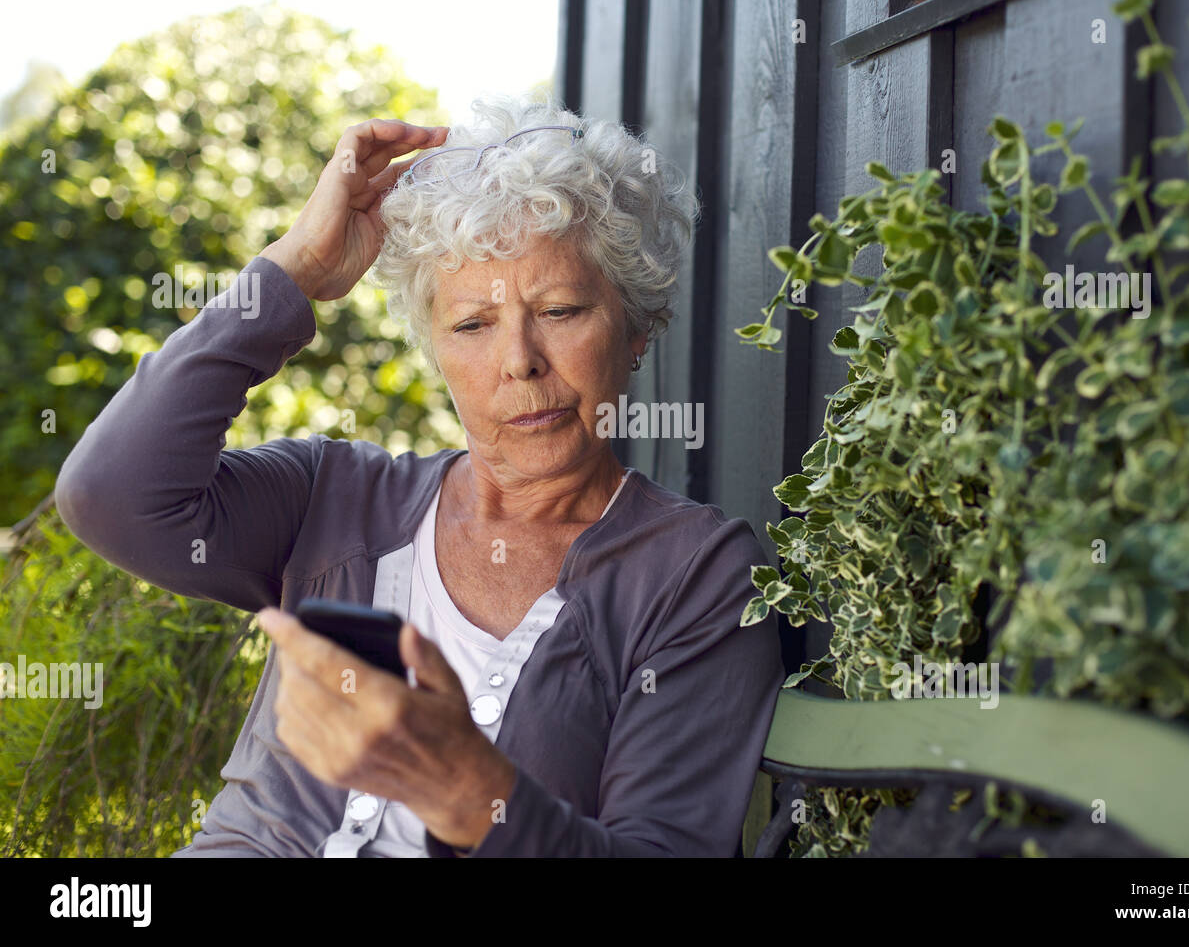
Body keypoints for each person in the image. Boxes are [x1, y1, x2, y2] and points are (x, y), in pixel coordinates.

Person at [55, 93, 785, 857]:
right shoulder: (333, 497)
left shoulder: (698, 576)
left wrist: (467, 793)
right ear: (437, 352)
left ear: (635, 327)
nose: (518, 360)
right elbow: (109, 495)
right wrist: (293, 270)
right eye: (472, 325)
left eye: (562, 309)